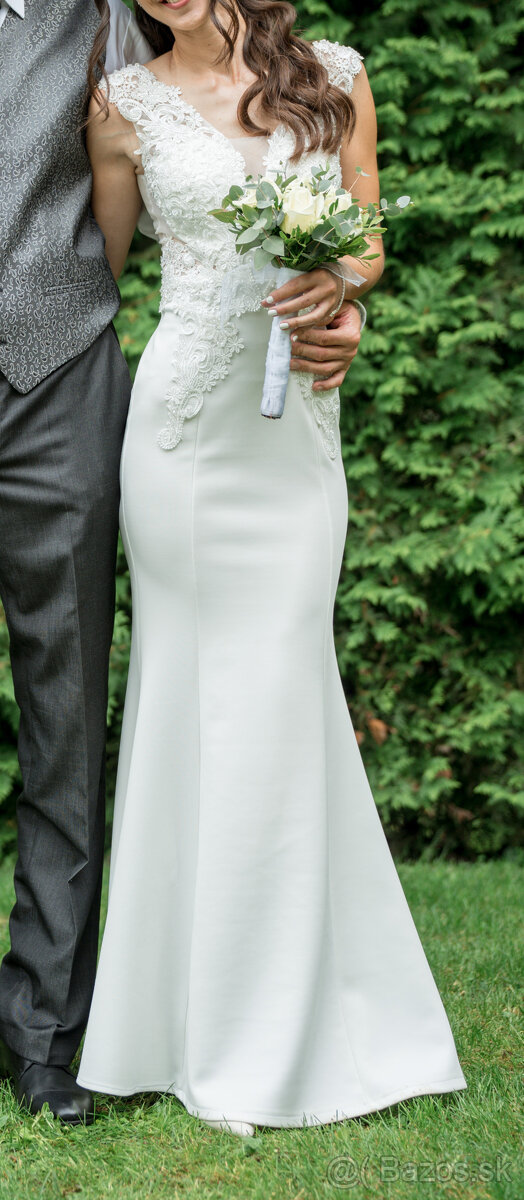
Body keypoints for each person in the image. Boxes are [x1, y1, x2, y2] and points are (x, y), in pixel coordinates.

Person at [76, 0, 467, 1137]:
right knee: (191, 698)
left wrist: (344, 301)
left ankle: (296, 1005)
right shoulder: (122, 107)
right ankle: (175, 1023)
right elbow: (99, 281)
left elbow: (364, 246)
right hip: (185, 437)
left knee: (286, 688)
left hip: (294, 431)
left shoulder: (335, 73)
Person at [0, 0, 154, 1126]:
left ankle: (44, 1032)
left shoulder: (109, 12)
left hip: (60, 375)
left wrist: (334, 284)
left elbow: (228, 116)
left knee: (65, 710)